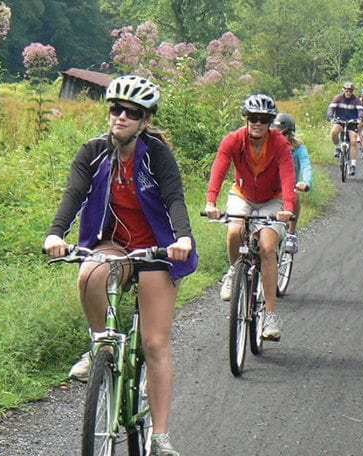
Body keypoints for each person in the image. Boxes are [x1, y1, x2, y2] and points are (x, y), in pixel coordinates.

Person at [43, 74, 196, 456]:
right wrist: (55, 233)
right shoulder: (93, 151)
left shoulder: (157, 155)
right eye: (115, 109)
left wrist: (182, 238)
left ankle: (159, 436)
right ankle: (101, 346)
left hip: (157, 250)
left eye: (132, 112)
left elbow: (175, 198)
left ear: (144, 120)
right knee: (90, 272)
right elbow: (74, 193)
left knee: (155, 343)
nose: (121, 117)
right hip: (115, 243)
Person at [204, 94, 295, 341]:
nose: (257, 123)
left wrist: (287, 207)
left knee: (267, 247)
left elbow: (288, 175)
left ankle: (270, 316)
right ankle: (234, 272)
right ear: (246, 118)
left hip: (272, 200)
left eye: (263, 120)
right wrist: (211, 202)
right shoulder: (233, 140)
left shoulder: (279, 144)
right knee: (234, 231)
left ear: (270, 122)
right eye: (253, 118)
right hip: (242, 195)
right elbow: (219, 169)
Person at [272, 113, 313, 254]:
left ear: (290, 134)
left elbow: (306, 164)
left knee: (295, 194)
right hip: (269, 189)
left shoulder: (298, 148)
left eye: (282, 134)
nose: (279, 138)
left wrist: (305, 182)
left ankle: (291, 233)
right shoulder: (267, 146)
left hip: (289, 188)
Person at [326, 81, 363, 175]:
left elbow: (361, 111)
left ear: (352, 91)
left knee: (353, 141)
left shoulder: (356, 100)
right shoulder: (338, 98)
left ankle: (353, 165)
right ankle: (337, 147)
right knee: (334, 132)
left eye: (350, 91)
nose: (348, 93)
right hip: (340, 121)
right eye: (347, 91)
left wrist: (360, 118)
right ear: (344, 90)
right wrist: (330, 116)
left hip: (352, 122)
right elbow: (331, 108)